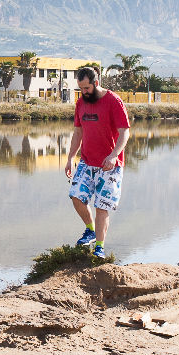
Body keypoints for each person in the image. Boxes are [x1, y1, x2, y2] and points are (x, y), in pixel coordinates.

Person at [64, 66, 130, 259]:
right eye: (80, 88)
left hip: (110, 165)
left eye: (86, 88)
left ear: (96, 83)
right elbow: (78, 132)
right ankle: (90, 230)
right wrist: (70, 158)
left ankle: (99, 247)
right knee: (76, 196)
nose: (84, 92)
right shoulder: (80, 103)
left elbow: (125, 132)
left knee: (102, 207)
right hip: (87, 161)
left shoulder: (113, 101)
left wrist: (113, 155)